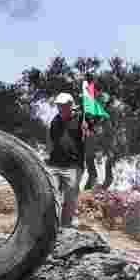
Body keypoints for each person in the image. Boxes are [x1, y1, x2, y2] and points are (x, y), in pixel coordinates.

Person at [46, 92, 87, 229]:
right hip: (55, 164)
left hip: (73, 165)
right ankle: (50, 225)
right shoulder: (55, 121)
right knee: (49, 194)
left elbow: (91, 127)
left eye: (63, 106)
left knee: (70, 195)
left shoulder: (81, 119)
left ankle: (66, 226)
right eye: (59, 106)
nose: (60, 108)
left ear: (70, 106)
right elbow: (52, 142)